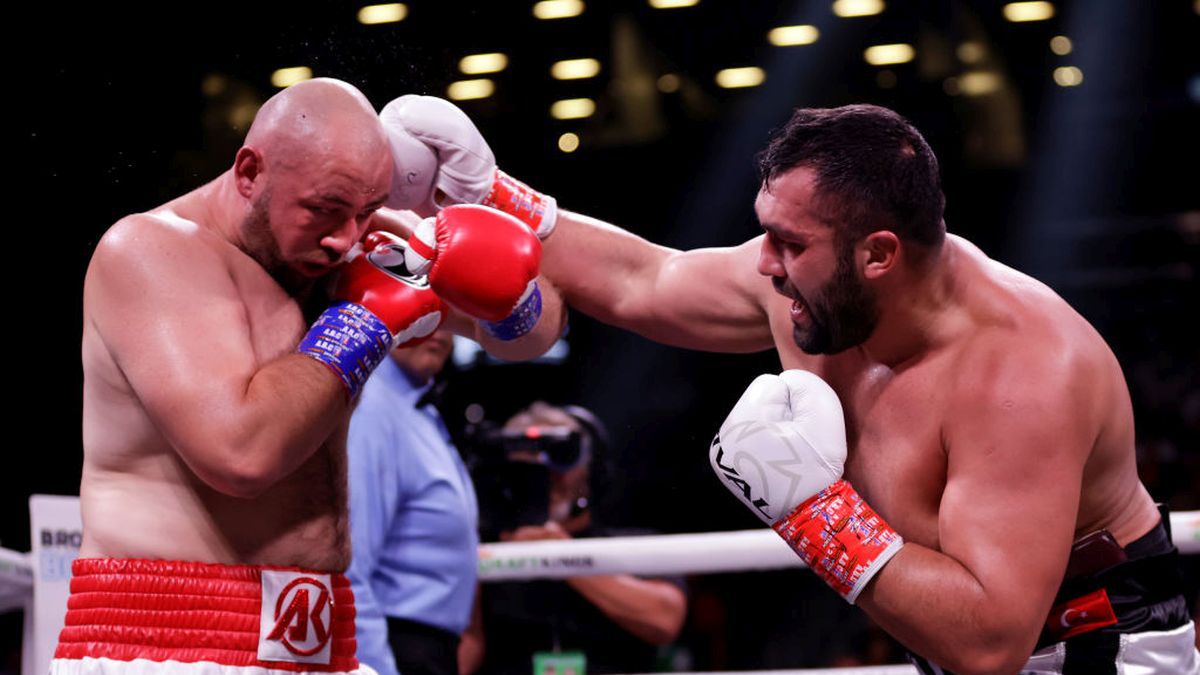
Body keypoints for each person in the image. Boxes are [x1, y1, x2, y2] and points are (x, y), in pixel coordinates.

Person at [380, 99, 1198, 674]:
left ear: (878, 253)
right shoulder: (805, 283)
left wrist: (815, 512)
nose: (762, 262)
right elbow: (645, 279)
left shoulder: (1022, 371)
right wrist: (495, 197)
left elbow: (990, 641)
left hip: (1100, 649)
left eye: (787, 242)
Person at [64, 79, 560, 675]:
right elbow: (241, 454)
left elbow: (532, 338)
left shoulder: (343, 247)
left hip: (319, 641)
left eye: (365, 211)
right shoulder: (151, 251)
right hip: (170, 644)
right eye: (323, 209)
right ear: (250, 171)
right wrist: (365, 321)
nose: (344, 237)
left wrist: (493, 250)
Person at [462, 403, 687, 675]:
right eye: (527, 461)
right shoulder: (489, 551)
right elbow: (466, 652)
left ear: (591, 468)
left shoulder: (634, 546)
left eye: (560, 456)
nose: (547, 475)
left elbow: (664, 620)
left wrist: (563, 555)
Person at [347, 328, 478, 675]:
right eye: (423, 314)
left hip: (424, 647)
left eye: (447, 316)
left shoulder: (415, 407)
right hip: (393, 646)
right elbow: (349, 564)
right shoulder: (371, 407)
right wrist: (376, 668)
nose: (438, 330)